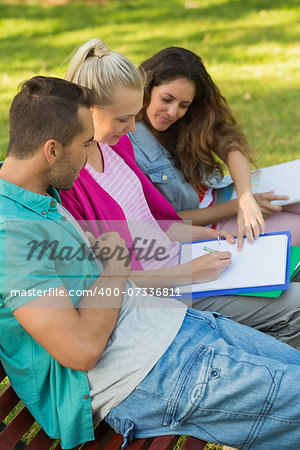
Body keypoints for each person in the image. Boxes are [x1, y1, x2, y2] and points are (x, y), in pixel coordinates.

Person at [2, 75, 300, 450]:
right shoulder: (10, 237)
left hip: (178, 327)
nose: (91, 154)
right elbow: (80, 350)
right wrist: (115, 263)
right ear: (51, 150)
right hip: (146, 371)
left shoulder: (38, 194)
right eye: (85, 144)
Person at [61, 38, 300, 349]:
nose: (134, 129)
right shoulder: (70, 181)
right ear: (87, 109)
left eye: (135, 116)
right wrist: (189, 272)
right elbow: (104, 281)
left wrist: (207, 236)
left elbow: (153, 223)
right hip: (163, 295)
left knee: (285, 275)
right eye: (124, 119)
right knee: (295, 305)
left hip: (186, 263)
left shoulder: (114, 146)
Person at [127, 46, 300, 249]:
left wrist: (245, 198)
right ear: (146, 89)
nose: (173, 112)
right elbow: (163, 224)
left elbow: (230, 144)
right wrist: (236, 208)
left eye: (184, 105)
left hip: (225, 194)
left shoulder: (190, 119)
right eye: (167, 99)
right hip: (208, 226)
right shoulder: (127, 144)